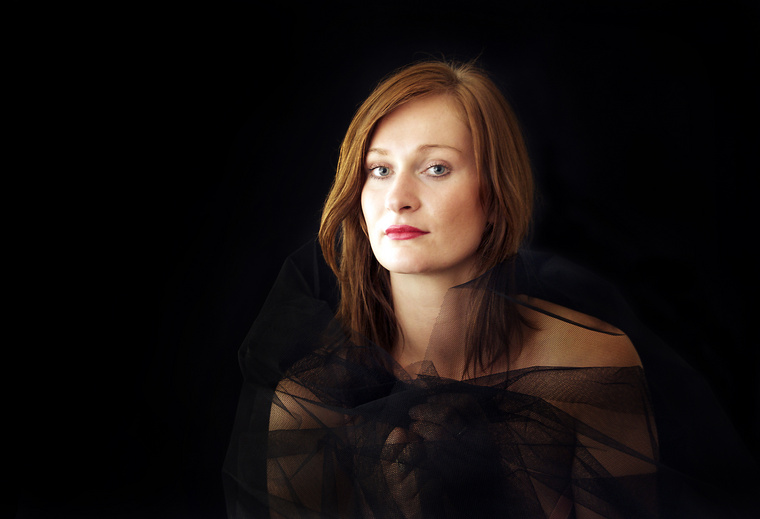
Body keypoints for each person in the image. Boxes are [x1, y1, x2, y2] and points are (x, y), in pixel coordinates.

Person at [224, 60, 757, 518]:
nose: (398, 198)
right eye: (379, 169)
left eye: (436, 168)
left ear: (496, 194)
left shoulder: (589, 366)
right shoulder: (312, 401)